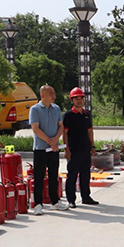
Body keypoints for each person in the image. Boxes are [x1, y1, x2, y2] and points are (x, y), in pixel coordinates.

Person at [29, 85, 68, 215]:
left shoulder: (56, 108)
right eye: (50, 93)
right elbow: (35, 129)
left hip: (54, 149)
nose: (53, 95)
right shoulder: (35, 109)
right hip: (40, 149)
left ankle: (55, 201)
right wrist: (49, 141)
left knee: (53, 176)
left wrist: (55, 140)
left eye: (53, 93)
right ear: (42, 95)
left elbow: (61, 126)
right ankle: (38, 204)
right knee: (39, 177)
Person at [62, 87, 98, 208]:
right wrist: (66, 149)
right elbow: (64, 133)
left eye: (81, 98)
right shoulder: (68, 115)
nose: (79, 100)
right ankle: (71, 199)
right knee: (72, 175)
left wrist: (92, 146)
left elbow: (90, 131)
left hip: (85, 149)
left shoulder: (86, 114)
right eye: (76, 98)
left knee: (85, 174)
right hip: (73, 150)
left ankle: (86, 197)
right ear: (72, 100)